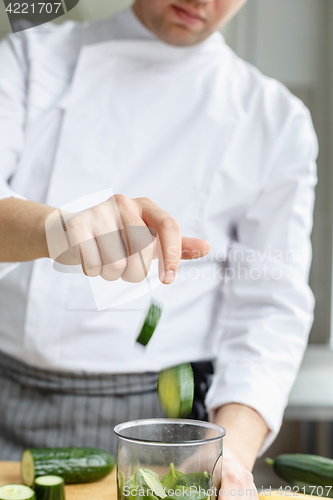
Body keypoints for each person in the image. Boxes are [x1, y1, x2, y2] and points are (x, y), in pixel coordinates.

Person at [0, 0, 317, 497]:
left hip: (168, 426)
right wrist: (59, 230)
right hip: (9, 394)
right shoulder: (27, 60)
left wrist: (228, 455)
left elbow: (270, 309)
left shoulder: (274, 118)